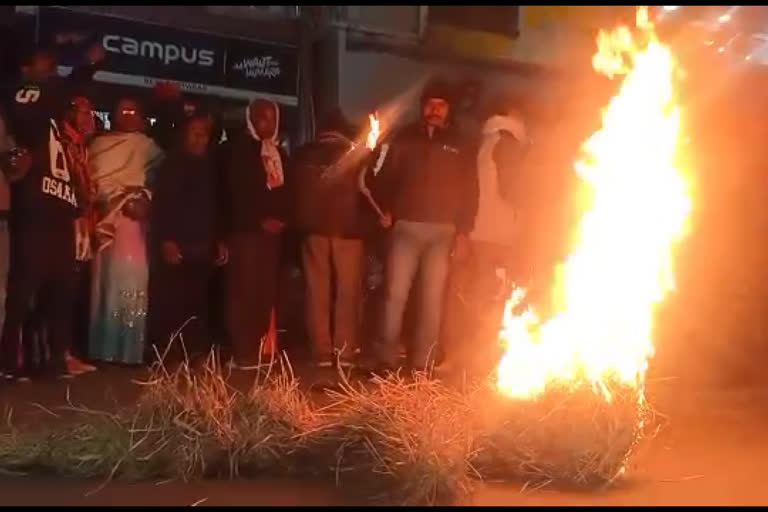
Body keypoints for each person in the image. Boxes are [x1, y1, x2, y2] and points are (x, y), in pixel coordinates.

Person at [369, 78, 479, 374]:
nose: (435, 110)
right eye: (430, 104)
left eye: (441, 105)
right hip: (405, 227)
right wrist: (386, 208)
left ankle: (423, 362)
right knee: (395, 294)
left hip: (443, 232)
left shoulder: (461, 143)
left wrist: (464, 231)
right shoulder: (403, 137)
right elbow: (380, 175)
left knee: (432, 299)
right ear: (422, 107)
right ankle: (385, 359)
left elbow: (471, 190)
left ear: (448, 109)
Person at [0, 94, 96, 381]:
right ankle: (9, 363)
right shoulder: (41, 129)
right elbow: (16, 164)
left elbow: (82, 191)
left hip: (63, 223)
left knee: (61, 294)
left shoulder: (77, 146)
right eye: (82, 111)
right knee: (22, 295)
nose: (88, 117)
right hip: (34, 222)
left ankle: (56, 360)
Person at [439, 94, 533, 377]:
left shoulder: (484, 144)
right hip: (502, 236)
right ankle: (480, 361)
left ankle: (457, 357)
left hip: (477, 231)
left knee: (464, 297)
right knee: (492, 299)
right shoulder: (511, 145)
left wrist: (463, 230)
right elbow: (520, 194)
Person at [87, 97, 164, 365]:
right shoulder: (97, 145)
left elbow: (161, 183)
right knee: (105, 288)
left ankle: (130, 352)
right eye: (123, 110)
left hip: (137, 225)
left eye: (134, 110)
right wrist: (115, 199)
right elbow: (92, 182)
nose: (128, 115)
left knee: (133, 286)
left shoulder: (149, 147)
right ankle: (103, 351)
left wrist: (145, 198)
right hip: (107, 223)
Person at [147, 114, 227, 364]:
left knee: (197, 302)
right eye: (194, 131)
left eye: (204, 132)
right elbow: (162, 206)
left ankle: (192, 352)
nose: (200, 137)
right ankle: (166, 354)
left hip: (202, 246)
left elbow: (217, 207)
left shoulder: (211, 167)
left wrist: (219, 240)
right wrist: (167, 240)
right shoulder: (172, 164)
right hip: (176, 246)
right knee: (170, 302)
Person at [292, 109, 369, 368]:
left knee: (316, 290)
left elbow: (293, 192)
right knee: (347, 291)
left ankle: (321, 350)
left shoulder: (303, 154)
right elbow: (368, 189)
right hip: (349, 230)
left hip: (313, 230)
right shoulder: (356, 153)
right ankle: (344, 351)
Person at [223, 98, 289, 369]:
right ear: (250, 119)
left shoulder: (279, 154)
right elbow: (234, 193)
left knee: (263, 292)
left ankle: (254, 346)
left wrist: (283, 219)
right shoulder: (237, 151)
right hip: (246, 233)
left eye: (272, 118)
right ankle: (242, 351)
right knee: (243, 292)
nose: (267, 123)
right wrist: (258, 220)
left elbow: (288, 193)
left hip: (270, 238)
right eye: (261, 118)